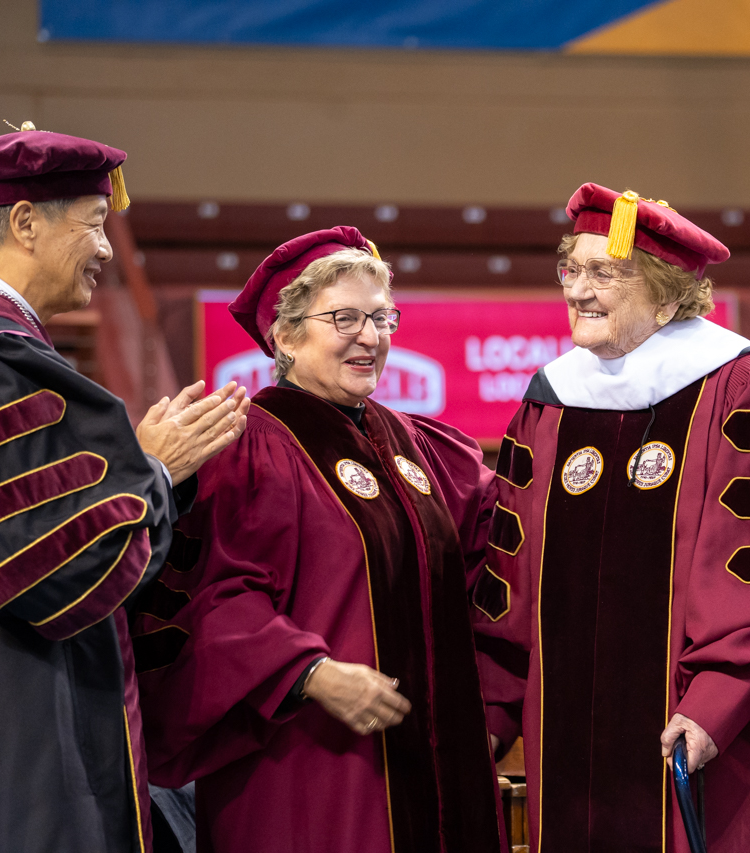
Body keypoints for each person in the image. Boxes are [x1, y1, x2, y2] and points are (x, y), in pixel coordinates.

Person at [472, 184, 750, 851]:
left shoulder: (746, 387)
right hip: (569, 751)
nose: (578, 289)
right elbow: (509, 579)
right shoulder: (551, 403)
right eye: (572, 268)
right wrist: (490, 711)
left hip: (717, 741)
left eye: (605, 273)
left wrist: (718, 699)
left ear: (666, 295)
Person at [133, 227, 505, 853]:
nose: (372, 336)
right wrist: (311, 672)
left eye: (382, 317)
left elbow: (495, 572)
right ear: (283, 335)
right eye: (345, 318)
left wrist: (491, 710)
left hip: (439, 765)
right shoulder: (246, 446)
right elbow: (215, 598)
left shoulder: (427, 451)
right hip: (307, 762)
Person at [0, 126, 248, 853]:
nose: (109, 249)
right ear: (24, 223)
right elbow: (45, 573)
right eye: (93, 223)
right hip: (18, 737)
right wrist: (153, 471)